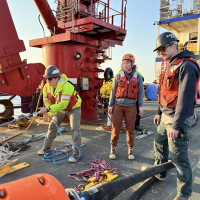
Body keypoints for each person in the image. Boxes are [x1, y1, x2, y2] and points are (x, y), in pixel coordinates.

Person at [153, 31, 200, 200]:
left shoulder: (187, 66)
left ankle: (184, 194)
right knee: (159, 145)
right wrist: (159, 112)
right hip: (165, 117)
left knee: (179, 157)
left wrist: (176, 125)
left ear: (174, 45)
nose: (160, 53)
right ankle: (160, 173)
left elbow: (186, 100)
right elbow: (164, 92)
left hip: (176, 120)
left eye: (163, 49)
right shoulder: (171, 65)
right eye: (158, 50)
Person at [38, 65, 82, 163]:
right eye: (46, 78)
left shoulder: (67, 86)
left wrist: (47, 109)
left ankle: (76, 154)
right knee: (52, 127)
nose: (47, 80)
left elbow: (64, 104)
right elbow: (48, 102)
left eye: (50, 78)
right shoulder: (46, 87)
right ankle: (47, 147)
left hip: (73, 108)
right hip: (60, 109)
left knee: (75, 129)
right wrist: (53, 114)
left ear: (57, 78)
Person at [108, 54, 144, 160]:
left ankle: (130, 149)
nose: (126, 65)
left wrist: (140, 106)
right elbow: (113, 90)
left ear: (132, 64)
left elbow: (141, 92)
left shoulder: (138, 77)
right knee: (115, 128)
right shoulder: (119, 75)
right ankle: (113, 148)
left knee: (130, 129)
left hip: (131, 106)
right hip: (118, 105)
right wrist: (110, 105)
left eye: (128, 63)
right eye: (124, 63)